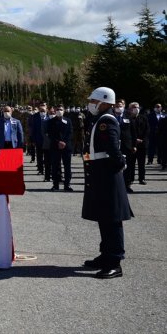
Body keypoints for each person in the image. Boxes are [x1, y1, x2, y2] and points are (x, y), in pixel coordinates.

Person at [82, 87, 133, 279]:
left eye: (94, 101)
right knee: (104, 216)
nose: (91, 104)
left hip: (108, 174)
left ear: (105, 102)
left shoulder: (106, 121)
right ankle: (105, 255)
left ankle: (114, 262)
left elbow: (113, 149)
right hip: (100, 173)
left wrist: (119, 165)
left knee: (112, 219)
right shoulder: (99, 119)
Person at [46, 104, 73, 191]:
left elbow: (70, 133)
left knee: (67, 167)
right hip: (55, 146)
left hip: (66, 147)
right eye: (57, 109)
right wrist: (58, 142)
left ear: (64, 111)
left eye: (61, 109)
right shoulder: (50, 122)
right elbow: (50, 134)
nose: (59, 111)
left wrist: (64, 142)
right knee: (55, 166)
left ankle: (67, 185)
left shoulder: (68, 121)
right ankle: (55, 185)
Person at [126, 102, 149, 186]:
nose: (136, 109)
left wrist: (142, 139)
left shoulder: (143, 118)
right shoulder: (127, 119)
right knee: (131, 163)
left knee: (141, 163)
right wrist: (135, 140)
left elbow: (147, 130)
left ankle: (141, 178)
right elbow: (127, 132)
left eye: (138, 107)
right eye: (134, 107)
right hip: (131, 144)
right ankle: (131, 178)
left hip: (142, 144)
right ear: (130, 108)